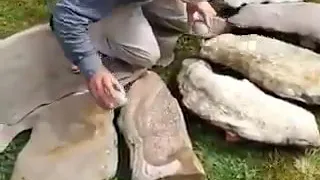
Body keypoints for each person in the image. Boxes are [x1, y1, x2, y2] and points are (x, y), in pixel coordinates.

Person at [50, 0, 217, 109]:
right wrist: (91, 65)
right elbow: (66, 14)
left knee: (183, 20)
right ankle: (90, 31)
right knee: (146, 56)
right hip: (74, 8)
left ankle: (135, 15)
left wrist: (196, 2)